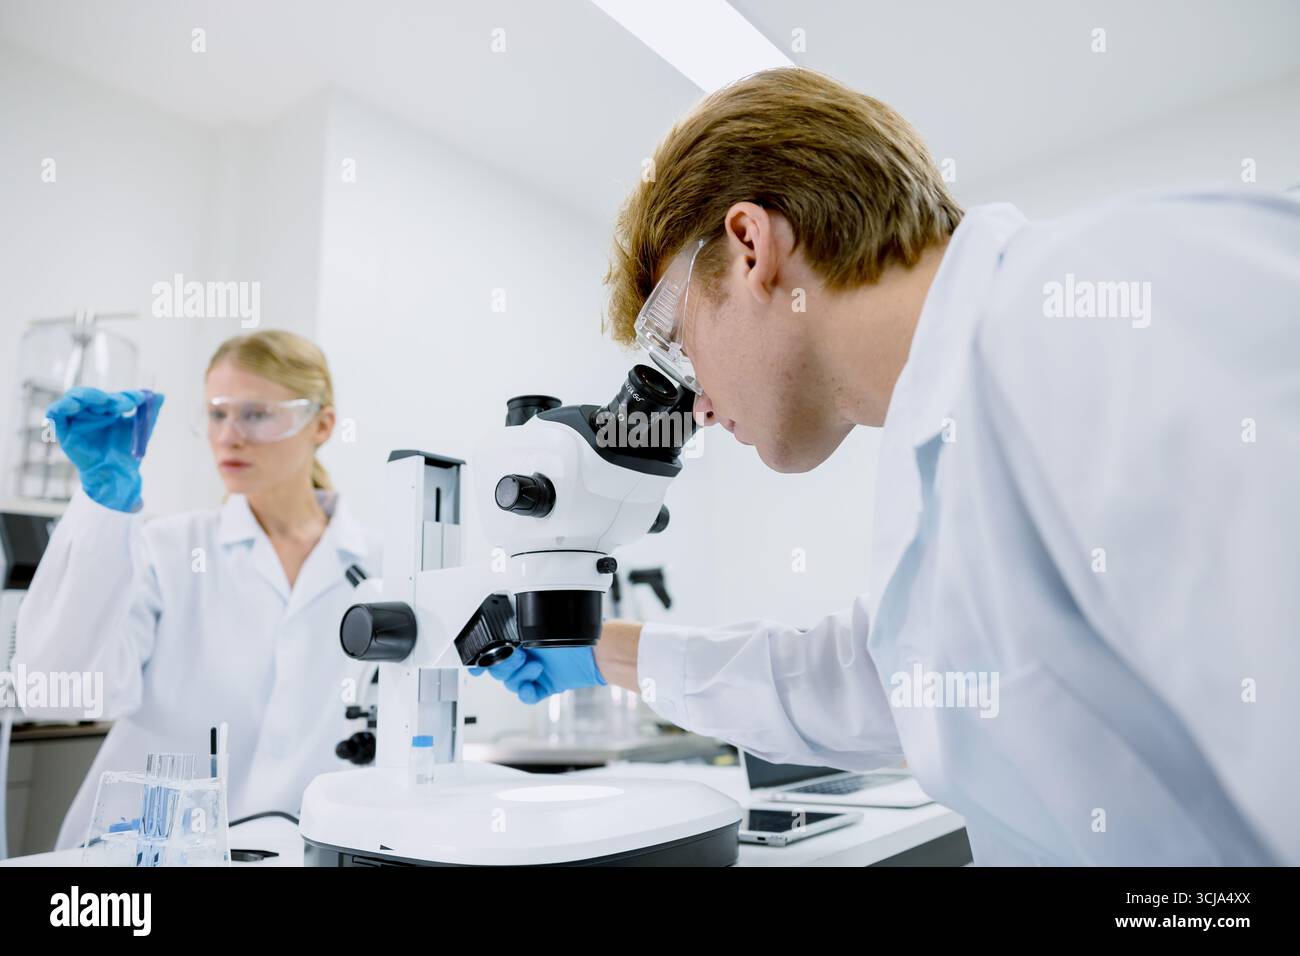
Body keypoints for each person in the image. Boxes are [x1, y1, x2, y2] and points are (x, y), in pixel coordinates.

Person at [473, 68, 1300, 864]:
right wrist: (600, 647)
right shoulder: (947, 439)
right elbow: (868, 686)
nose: (688, 404)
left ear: (751, 244)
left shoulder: (1098, 303)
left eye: (674, 342)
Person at [15, 329, 378, 850]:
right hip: (141, 856)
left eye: (256, 414)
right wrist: (101, 507)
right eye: (217, 413)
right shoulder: (167, 548)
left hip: (298, 854)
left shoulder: (379, 567)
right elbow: (59, 688)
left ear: (320, 424)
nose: (230, 435)